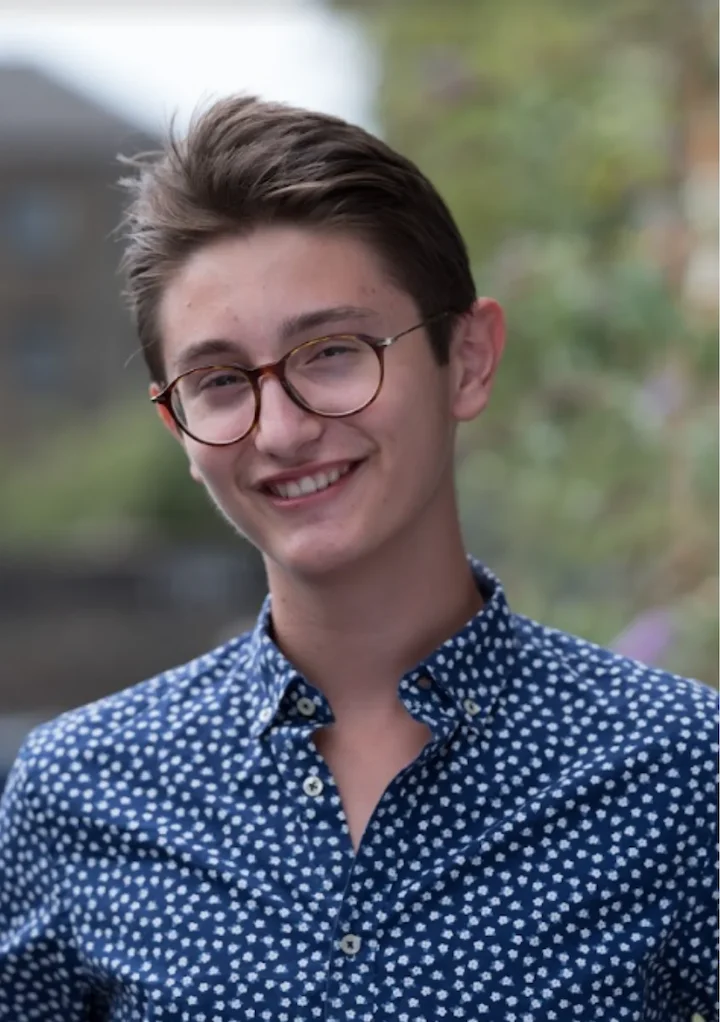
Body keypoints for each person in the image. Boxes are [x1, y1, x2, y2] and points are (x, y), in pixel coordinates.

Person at [0, 95, 717, 1022]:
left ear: (468, 359)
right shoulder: (82, 788)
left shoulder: (681, 771)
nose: (287, 428)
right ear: (178, 426)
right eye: (220, 381)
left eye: (332, 352)